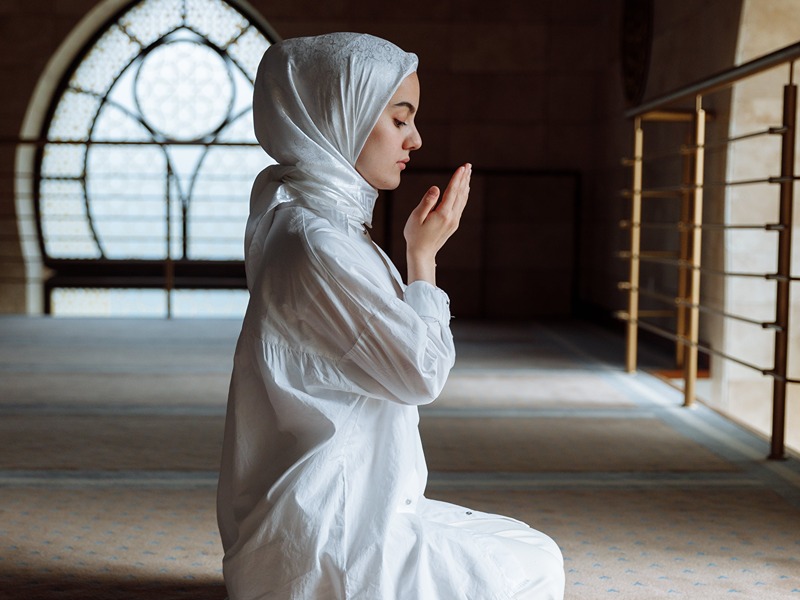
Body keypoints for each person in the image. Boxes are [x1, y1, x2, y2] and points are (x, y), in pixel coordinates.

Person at [216, 32, 565, 600]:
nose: (416, 138)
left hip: (323, 519)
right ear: (341, 117)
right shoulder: (317, 242)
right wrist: (422, 259)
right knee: (535, 568)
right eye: (400, 120)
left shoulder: (313, 226)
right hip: (332, 539)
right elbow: (422, 374)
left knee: (522, 548)